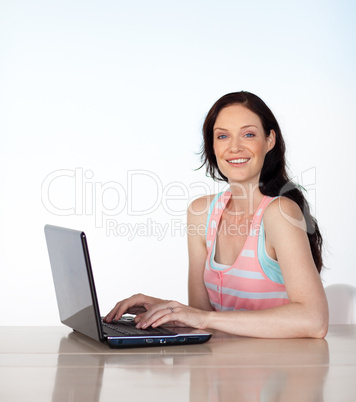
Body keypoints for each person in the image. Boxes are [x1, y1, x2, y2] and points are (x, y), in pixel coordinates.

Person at [105, 91, 329, 338]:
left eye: (249, 134)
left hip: (279, 368)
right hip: (223, 366)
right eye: (223, 136)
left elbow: (314, 321)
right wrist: (164, 307)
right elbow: (203, 316)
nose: (234, 147)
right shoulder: (201, 213)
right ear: (212, 145)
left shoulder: (279, 213)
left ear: (270, 140)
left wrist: (203, 318)